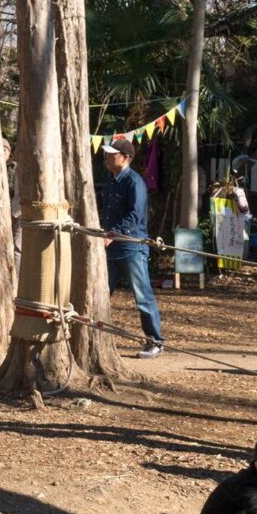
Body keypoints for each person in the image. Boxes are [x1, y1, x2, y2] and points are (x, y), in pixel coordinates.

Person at [96, 139, 164, 357]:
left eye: (111, 154)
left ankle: (155, 342)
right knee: (99, 293)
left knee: (142, 295)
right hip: (111, 248)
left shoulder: (135, 182)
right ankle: (94, 338)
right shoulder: (111, 180)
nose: (107, 158)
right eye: (106, 154)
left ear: (125, 157)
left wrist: (112, 234)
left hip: (132, 248)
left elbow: (134, 216)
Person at [210, 171, 251, 270]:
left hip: (235, 221)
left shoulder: (238, 193)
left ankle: (232, 263)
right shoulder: (218, 197)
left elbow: (244, 208)